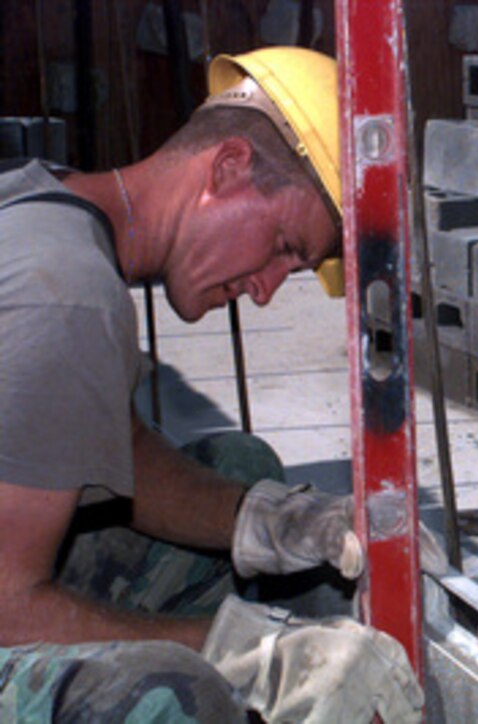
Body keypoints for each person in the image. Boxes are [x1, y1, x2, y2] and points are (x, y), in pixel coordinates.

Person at [0, 46, 422, 721]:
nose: (262, 293)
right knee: (172, 693)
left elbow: (93, 440)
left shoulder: (50, 206)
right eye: (284, 246)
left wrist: (265, 518)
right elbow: (6, 604)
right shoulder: (67, 297)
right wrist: (241, 655)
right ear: (228, 168)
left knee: (239, 468)